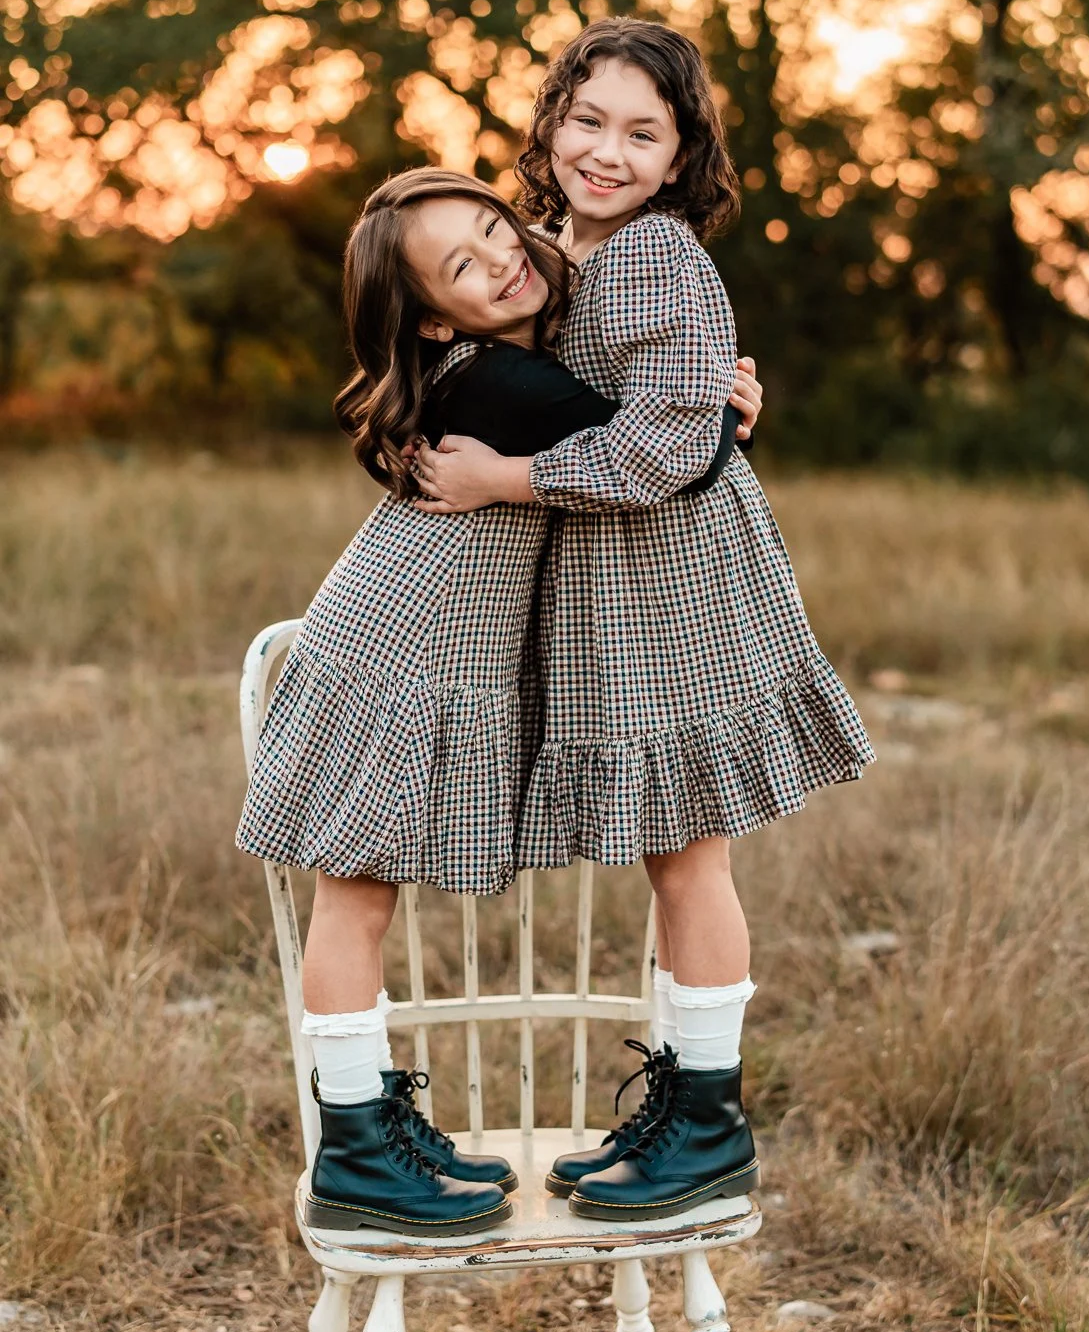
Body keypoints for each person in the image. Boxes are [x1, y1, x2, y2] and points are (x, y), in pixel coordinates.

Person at [235, 167, 761, 1237]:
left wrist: (713, 408)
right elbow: (669, 454)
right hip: (400, 653)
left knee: (359, 893)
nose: (500, 258)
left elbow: (646, 442)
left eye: (492, 228)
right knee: (356, 895)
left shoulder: (517, 363)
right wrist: (728, 414)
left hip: (400, 638)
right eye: (462, 268)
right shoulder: (496, 386)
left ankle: (367, 1132)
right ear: (431, 318)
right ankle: (356, 1153)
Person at [414, 19, 875, 1223]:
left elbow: (669, 442)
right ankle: (680, 1106)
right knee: (675, 853)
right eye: (586, 121)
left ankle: (708, 1124)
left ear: (679, 159)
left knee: (690, 853)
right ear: (550, 122)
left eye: (640, 133)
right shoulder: (551, 244)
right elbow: (622, 397)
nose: (606, 152)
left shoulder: (659, 257)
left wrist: (505, 481)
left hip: (678, 579)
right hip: (621, 584)